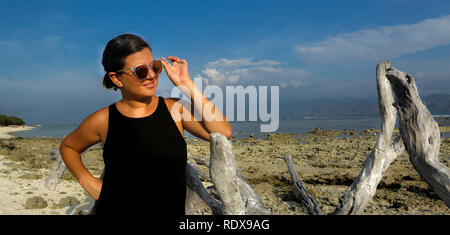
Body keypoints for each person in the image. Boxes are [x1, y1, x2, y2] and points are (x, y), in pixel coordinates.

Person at [59, 33, 232, 215]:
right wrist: (87, 181)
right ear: (117, 79)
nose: (151, 75)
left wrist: (186, 84)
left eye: (155, 67)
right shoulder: (103, 120)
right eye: (141, 71)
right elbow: (68, 146)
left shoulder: (175, 109)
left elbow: (222, 131)